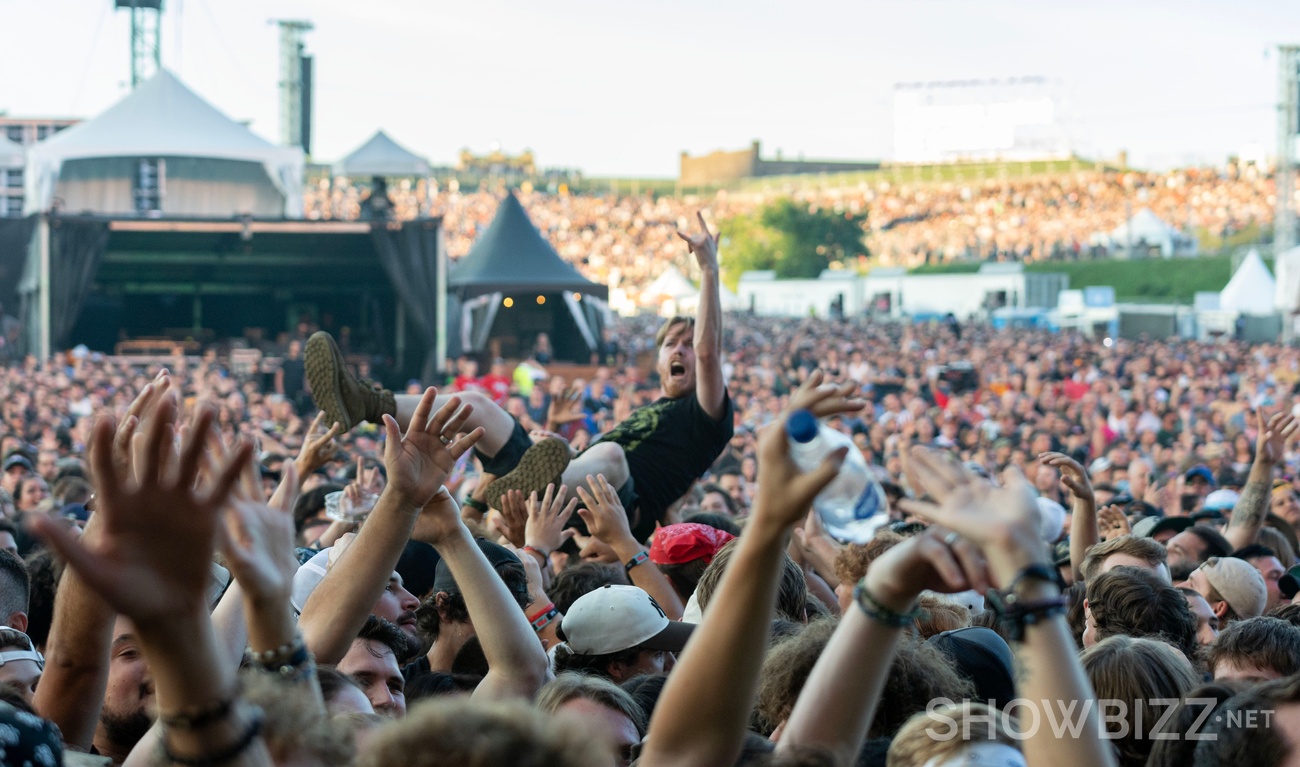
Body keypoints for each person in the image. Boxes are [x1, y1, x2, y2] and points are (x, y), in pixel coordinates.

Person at [305, 213, 735, 540]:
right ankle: (364, 402)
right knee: (475, 404)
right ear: (657, 359)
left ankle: (541, 482)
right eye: (670, 344)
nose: (681, 350)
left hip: (614, 513)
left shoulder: (707, 414)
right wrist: (565, 449)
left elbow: (708, 350)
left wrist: (710, 270)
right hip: (560, 483)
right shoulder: (653, 411)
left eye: (687, 343)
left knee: (611, 460)